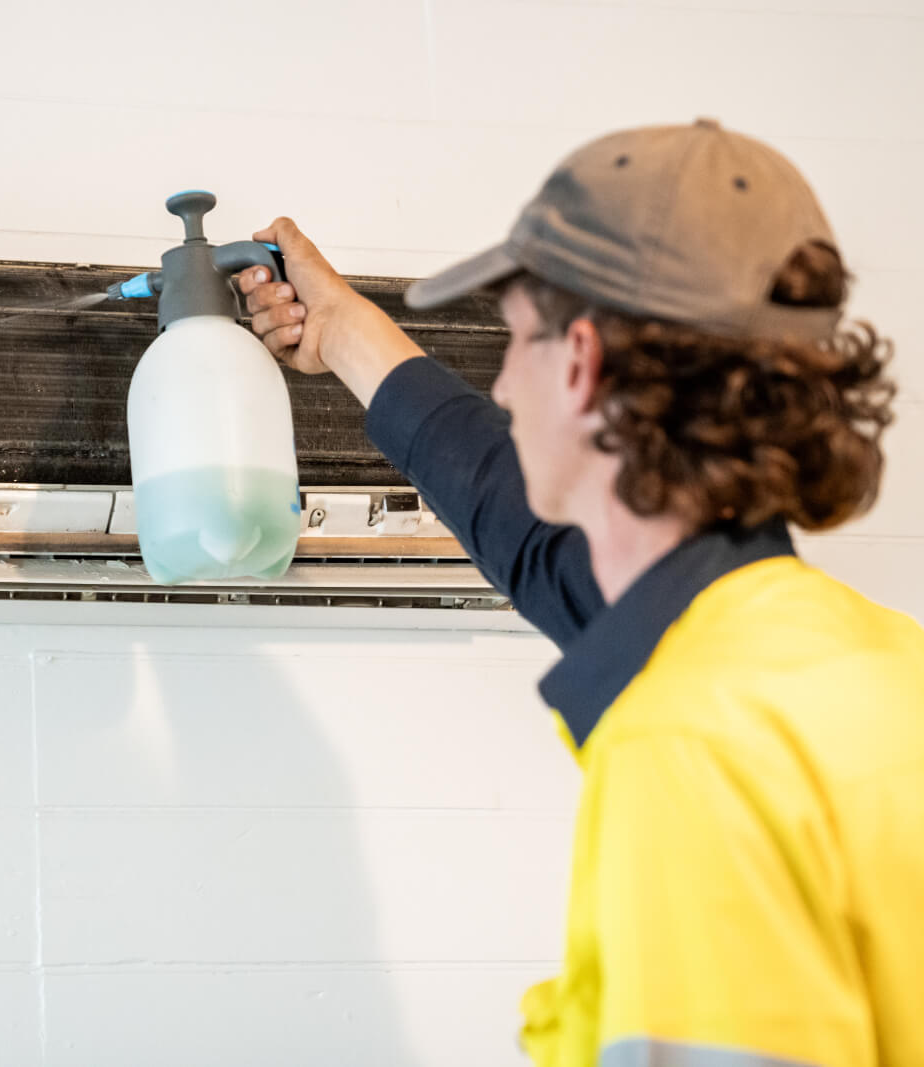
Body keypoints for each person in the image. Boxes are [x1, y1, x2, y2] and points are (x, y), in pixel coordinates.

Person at [238, 118, 924, 1066]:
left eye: (517, 340)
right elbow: (530, 534)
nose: (505, 385)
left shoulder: (688, 742)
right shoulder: (883, 664)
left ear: (583, 361)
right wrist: (346, 331)